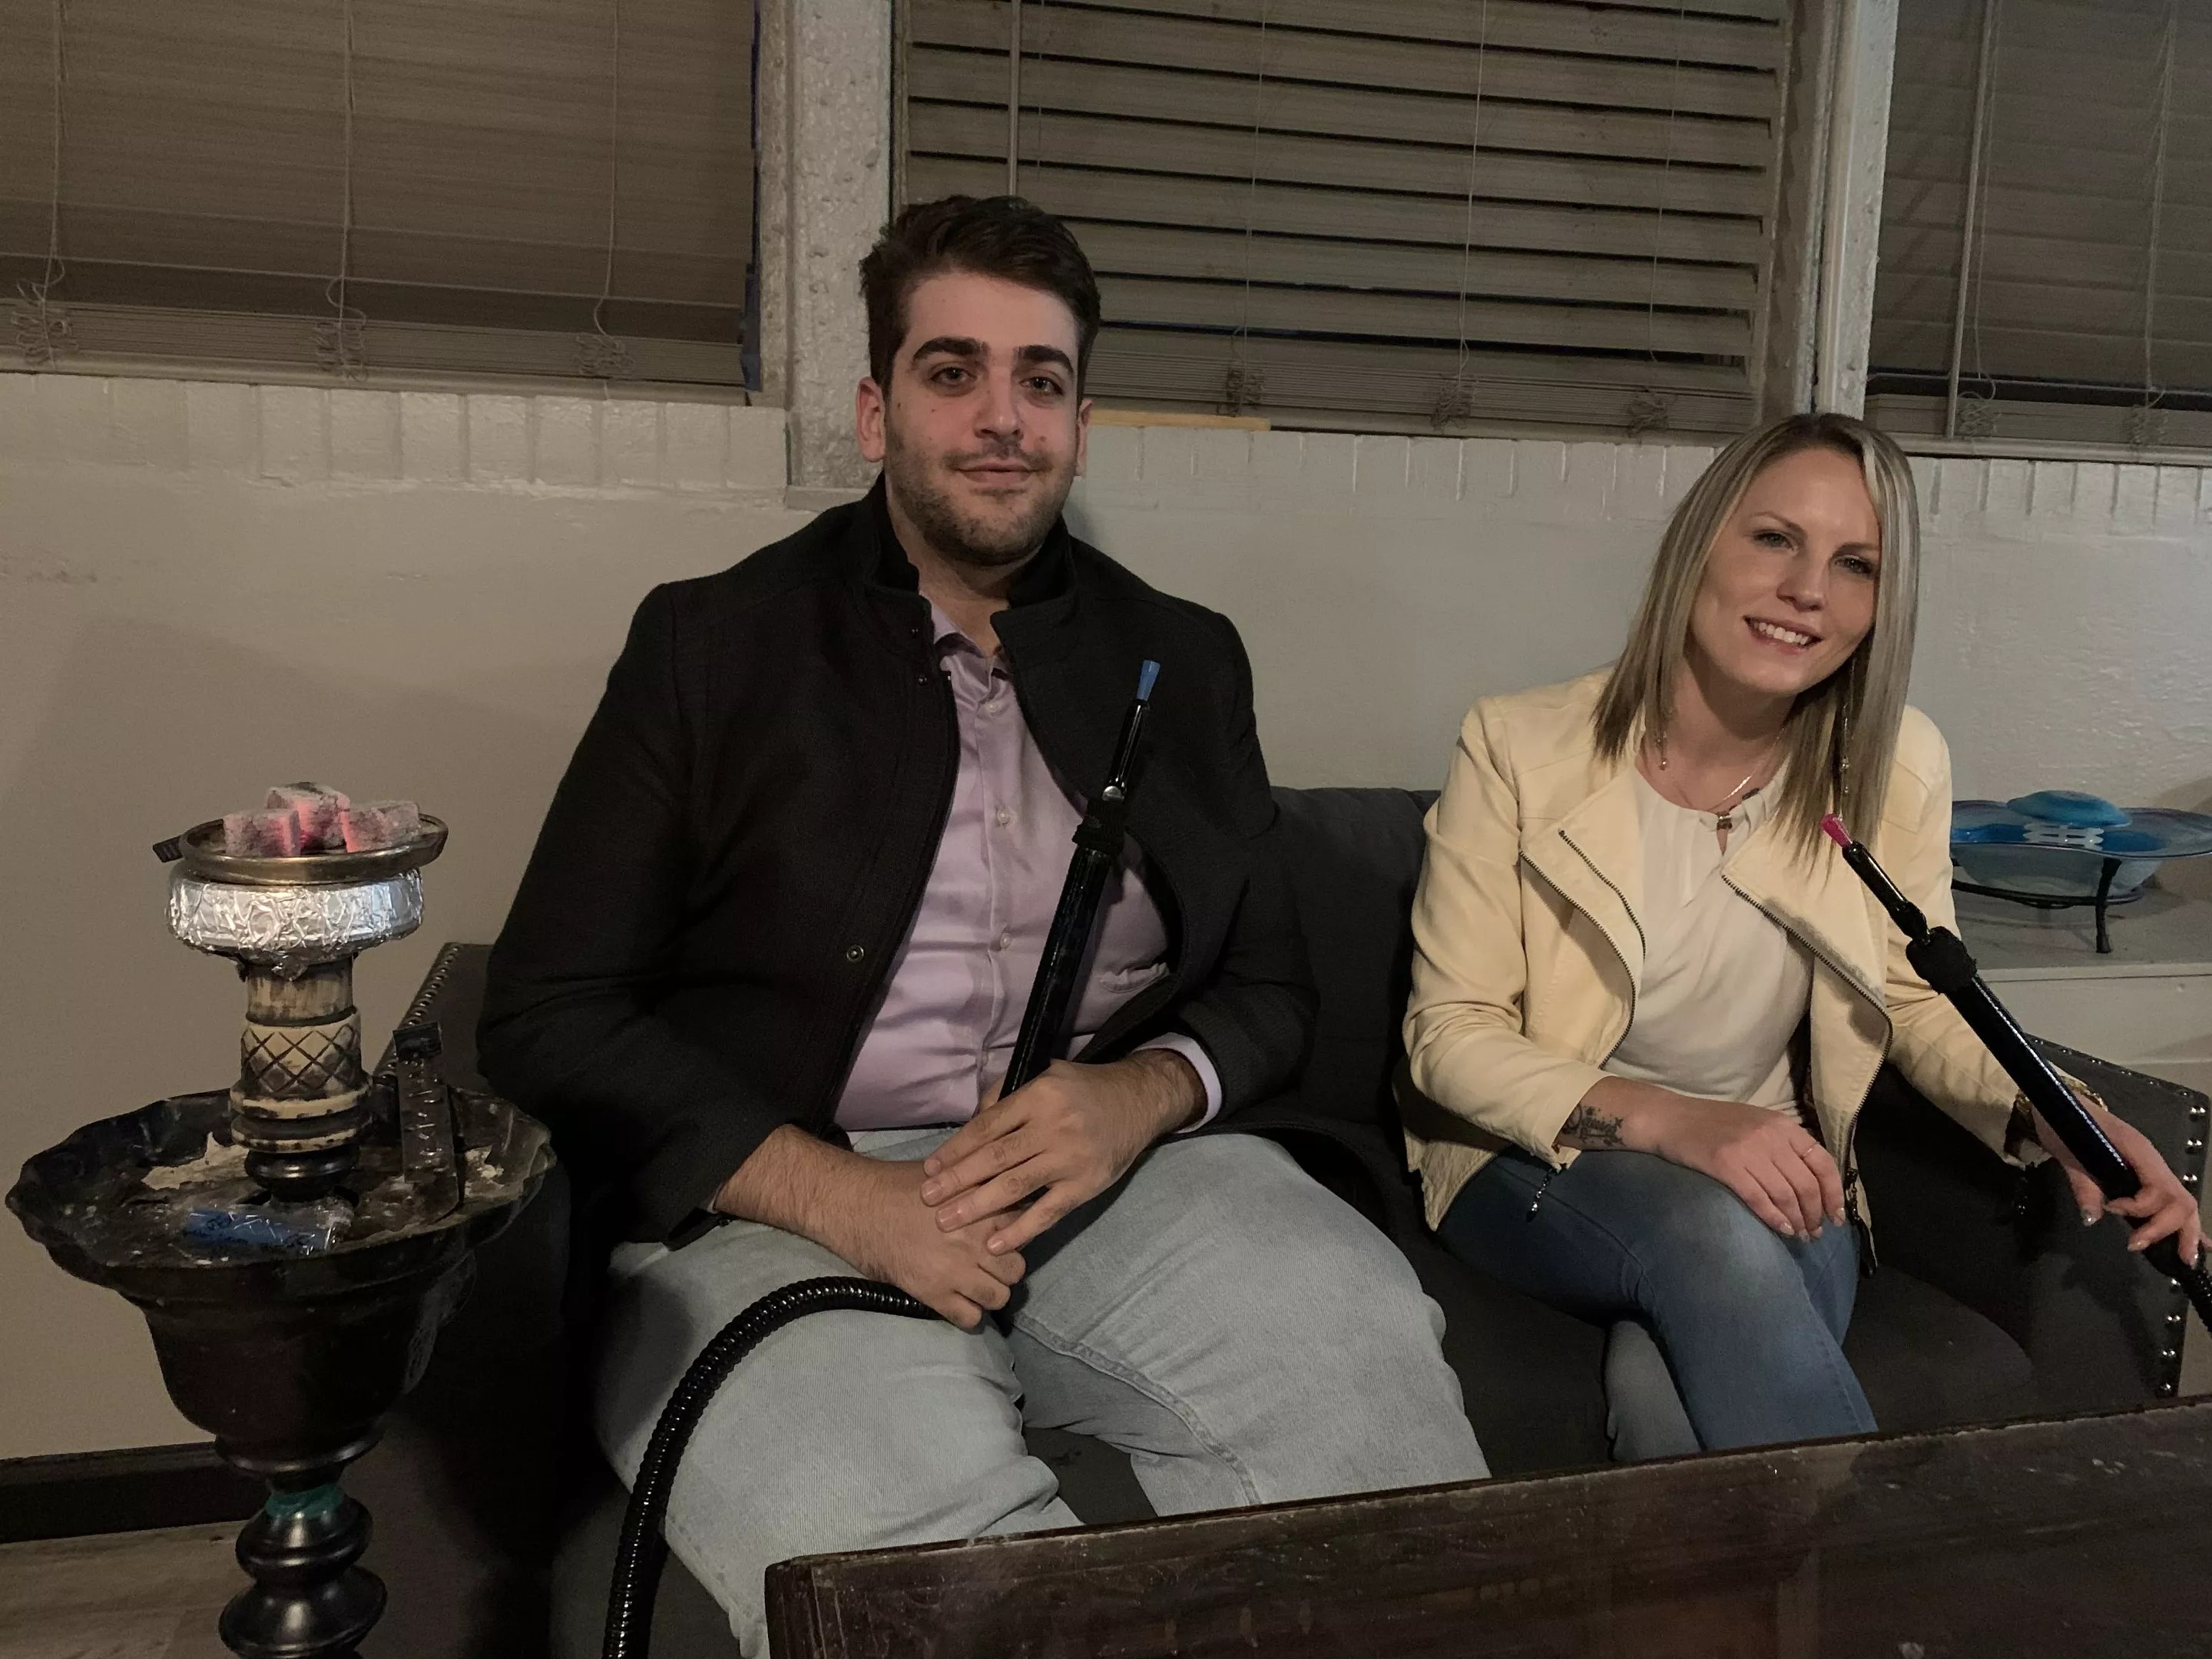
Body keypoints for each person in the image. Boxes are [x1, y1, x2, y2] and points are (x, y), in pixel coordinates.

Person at [479, 194, 1487, 1654]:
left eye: (1043, 380)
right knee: (936, 1595)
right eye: (953, 372)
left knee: (1387, 1443)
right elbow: (546, 1011)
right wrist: (845, 1200)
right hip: (779, 1203)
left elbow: (1272, 989)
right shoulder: (711, 644)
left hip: (1124, 1185)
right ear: (876, 410)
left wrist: (1140, 1096)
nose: (1003, 417)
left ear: (1080, 423)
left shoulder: (1185, 658)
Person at [1399, 412, 2204, 1460]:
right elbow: (1450, 1036)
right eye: (1775, 539)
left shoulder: (1893, 765)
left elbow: (1913, 996)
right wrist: (1677, 1124)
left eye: (1855, 564)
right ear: (1700, 546)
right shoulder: (1517, 745)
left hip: (1788, 1171)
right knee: (1709, 1234)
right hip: (1543, 1156)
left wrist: (2058, 1112)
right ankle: (1887, 1557)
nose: (1807, 591)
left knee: (1664, 1394)